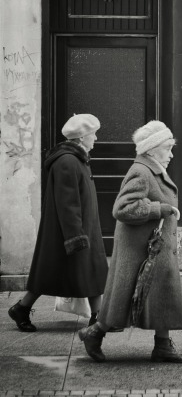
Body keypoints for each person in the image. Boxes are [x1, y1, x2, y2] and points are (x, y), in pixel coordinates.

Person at [78, 120, 182, 364]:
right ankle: (94, 333)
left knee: (163, 292)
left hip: (151, 246)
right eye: (167, 148)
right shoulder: (141, 171)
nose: (171, 154)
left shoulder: (153, 167)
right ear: (151, 149)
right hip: (139, 249)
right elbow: (123, 208)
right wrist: (160, 208)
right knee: (124, 296)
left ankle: (162, 345)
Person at [8, 114, 108, 331]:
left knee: (87, 270)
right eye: (93, 134)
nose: (97, 139)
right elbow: (68, 202)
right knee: (54, 272)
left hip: (80, 227)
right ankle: (22, 308)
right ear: (81, 138)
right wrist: (75, 235)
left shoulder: (75, 158)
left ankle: (98, 316)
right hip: (72, 230)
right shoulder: (68, 161)